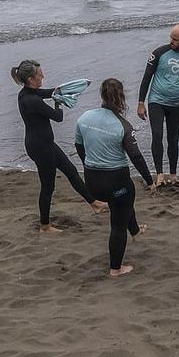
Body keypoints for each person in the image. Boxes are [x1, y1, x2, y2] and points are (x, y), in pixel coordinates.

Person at [75, 78, 156, 277]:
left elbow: (79, 145)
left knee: (124, 203)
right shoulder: (124, 126)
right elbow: (135, 156)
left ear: (101, 96)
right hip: (116, 182)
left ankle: (136, 231)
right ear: (121, 98)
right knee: (119, 218)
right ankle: (116, 268)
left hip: (92, 181)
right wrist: (149, 180)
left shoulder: (84, 117)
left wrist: (89, 163)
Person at [12, 59, 99, 233]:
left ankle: (95, 204)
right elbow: (58, 117)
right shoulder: (31, 100)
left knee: (71, 171)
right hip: (40, 148)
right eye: (39, 74)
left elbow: (48, 92)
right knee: (48, 186)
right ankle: (45, 225)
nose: (43, 76)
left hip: (45, 143)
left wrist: (62, 90)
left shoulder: (28, 93)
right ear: (30, 79)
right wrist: (59, 101)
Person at [136, 23, 179, 188]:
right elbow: (147, 77)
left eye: (176, 39)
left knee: (173, 139)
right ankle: (159, 174)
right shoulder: (158, 53)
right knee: (157, 135)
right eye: (171, 37)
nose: (172, 41)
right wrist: (141, 102)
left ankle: (173, 174)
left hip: (175, 104)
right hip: (156, 101)